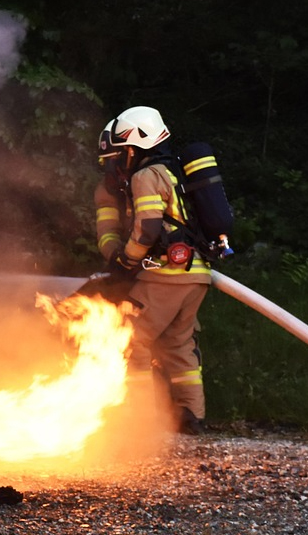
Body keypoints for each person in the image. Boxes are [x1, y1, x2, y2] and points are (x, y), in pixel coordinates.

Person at [93, 105, 210, 435]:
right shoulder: (172, 173)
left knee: (131, 339)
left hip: (165, 275)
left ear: (134, 146)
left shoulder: (145, 176)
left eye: (122, 152)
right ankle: (191, 416)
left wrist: (126, 260)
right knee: (178, 344)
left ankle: (140, 418)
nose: (118, 161)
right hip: (195, 275)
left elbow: (147, 229)